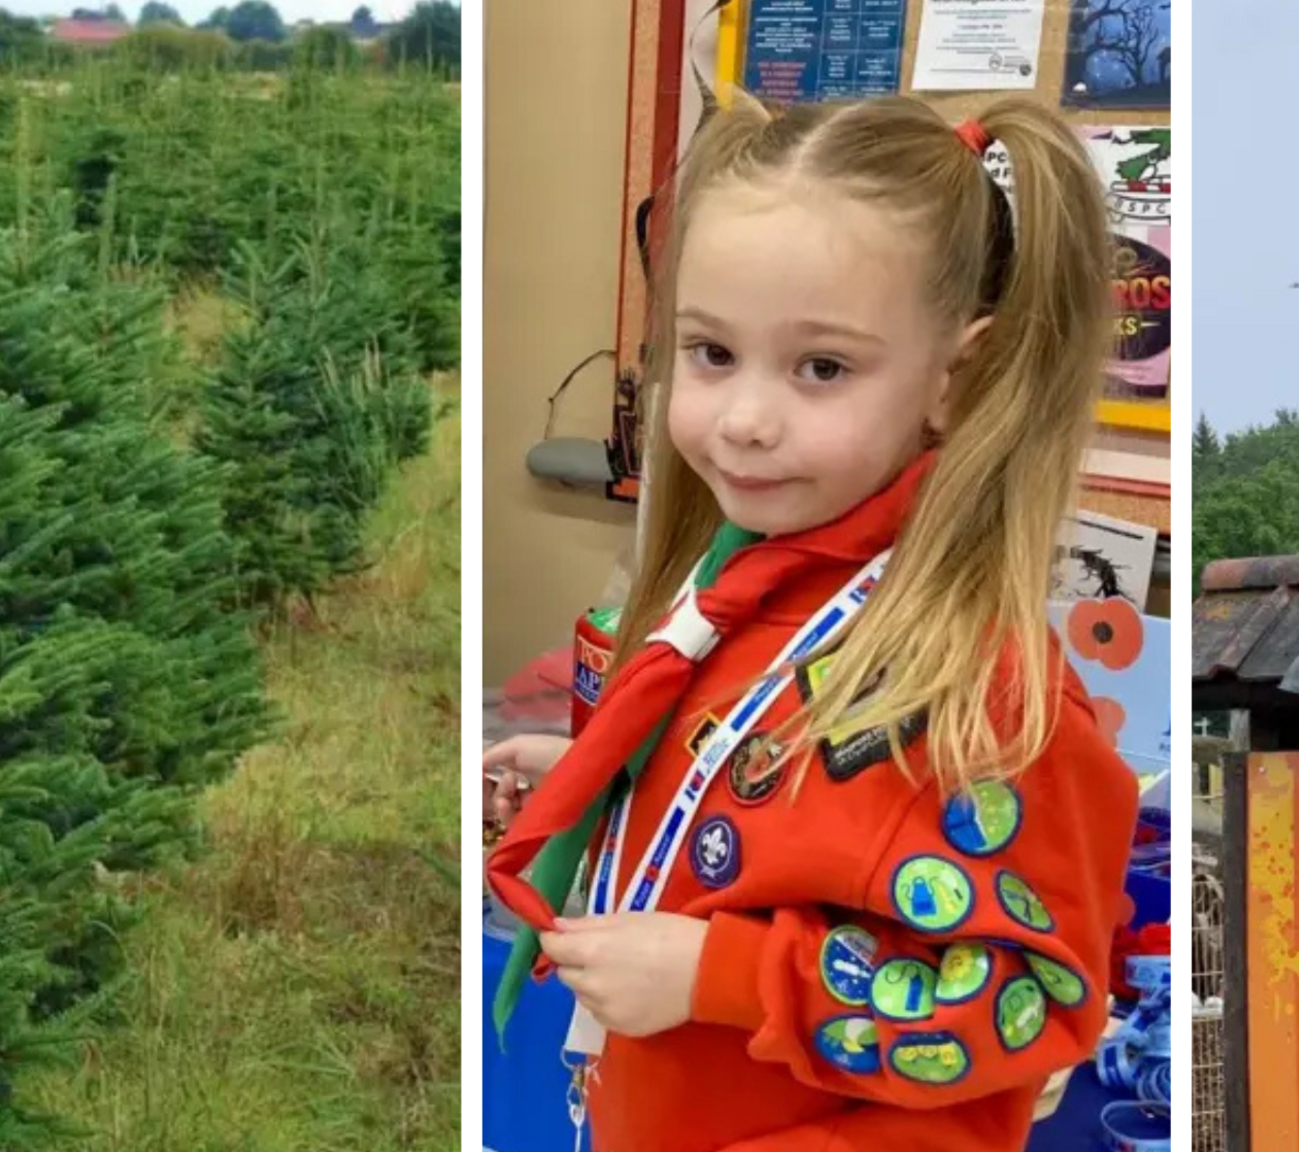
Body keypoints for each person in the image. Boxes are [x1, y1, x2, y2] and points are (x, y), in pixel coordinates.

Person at [484, 89, 1140, 1152]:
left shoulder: (982, 684)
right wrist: (606, 776)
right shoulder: (742, 587)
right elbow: (781, 817)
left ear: (953, 380)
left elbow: (1028, 998)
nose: (742, 419)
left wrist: (722, 977)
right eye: (709, 353)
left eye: (820, 368)